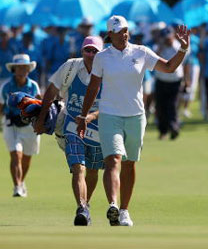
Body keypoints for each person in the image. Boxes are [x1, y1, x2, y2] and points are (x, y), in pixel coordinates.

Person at [77, 15, 190, 227]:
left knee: (129, 164)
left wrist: (182, 49)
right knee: (113, 160)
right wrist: (83, 116)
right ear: (110, 35)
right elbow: (93, 88)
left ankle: (124, 211)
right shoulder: (102, 57)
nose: (124, 35)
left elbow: (169, 67)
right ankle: (113, 204)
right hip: (110, 115)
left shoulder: (141, 52)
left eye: (126, 30)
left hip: (136, 116)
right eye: (119, 32)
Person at [34, 36, 104, 226]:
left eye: (95, 51)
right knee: (77, 167)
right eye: (87, 50)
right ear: (82, 52)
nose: (91, 54)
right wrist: (41, 118)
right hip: (72, 125)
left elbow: (111, 103)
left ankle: (86, 205)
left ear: (101, 52)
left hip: (98, 127)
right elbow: (51, 90)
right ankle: (81, 207)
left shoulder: (108, 69)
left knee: (92, 169)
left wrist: (91, 116)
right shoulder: (71, 66)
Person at [0, 54, 41, 197]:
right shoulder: (6, 86)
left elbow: (41, 105)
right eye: (19, 67)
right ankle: (17, 186)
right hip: (11, 125)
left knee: (27, 157)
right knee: (16, 155)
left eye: (25, 67)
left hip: (30, 126)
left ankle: (21, 182)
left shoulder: (34, 86)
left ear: (29, 70)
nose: (22, 70)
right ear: (14, 69)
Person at [153, 26, 185, 139]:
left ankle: (174, 127)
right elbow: (153, 58)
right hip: (161, 80)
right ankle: (163, 131)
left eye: (169, 37)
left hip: (175, 81)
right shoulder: (159, 47)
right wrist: (161, 47)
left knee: (172, 105)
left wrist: (187, 81)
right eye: (165, 38)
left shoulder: (179, 47)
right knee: (161, 106)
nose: (167, 40)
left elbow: (185, 64)